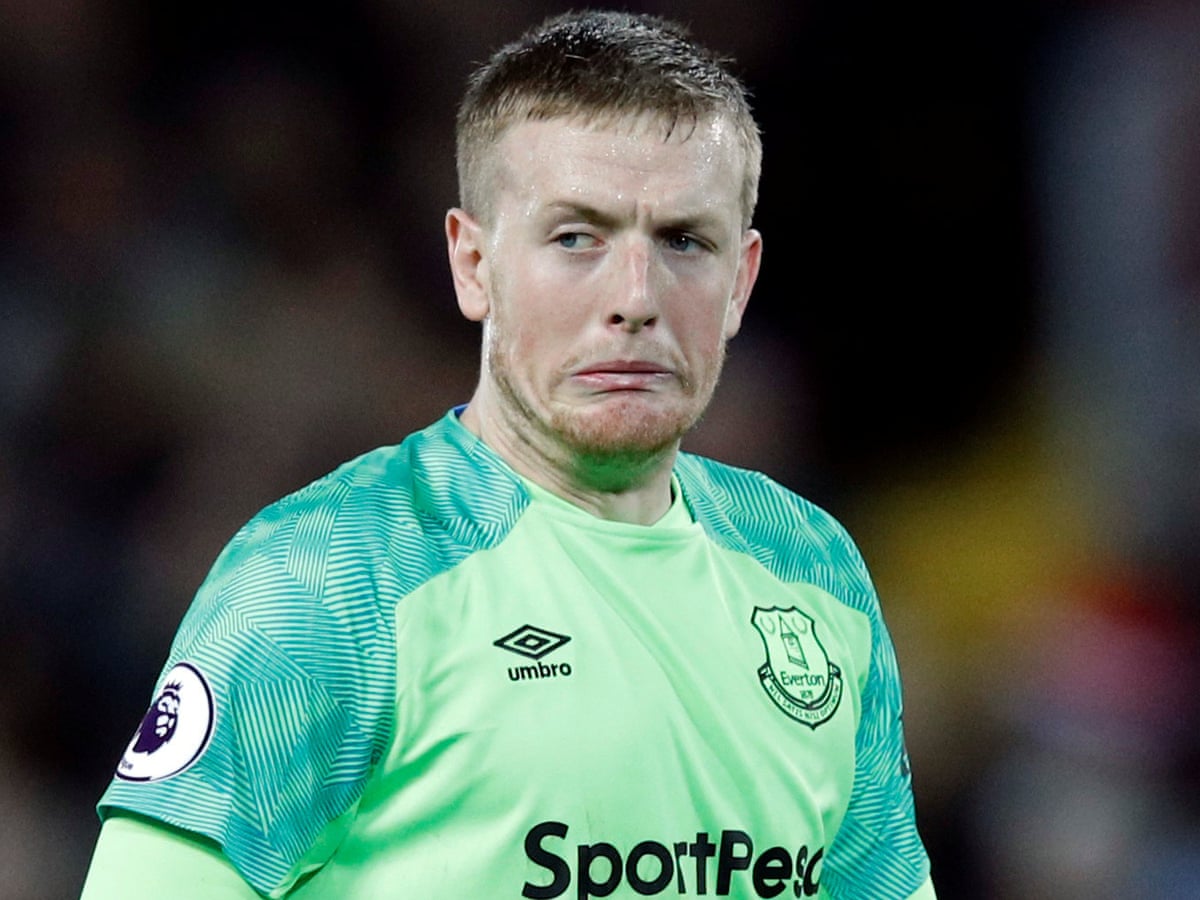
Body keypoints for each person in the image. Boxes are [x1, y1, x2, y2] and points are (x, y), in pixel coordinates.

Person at [80, 10, 936, 899]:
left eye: (685, 241)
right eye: (576, 238)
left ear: (741, 282)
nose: (636, 298)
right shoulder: (330, 576)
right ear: (473, 263)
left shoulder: (812, 567)